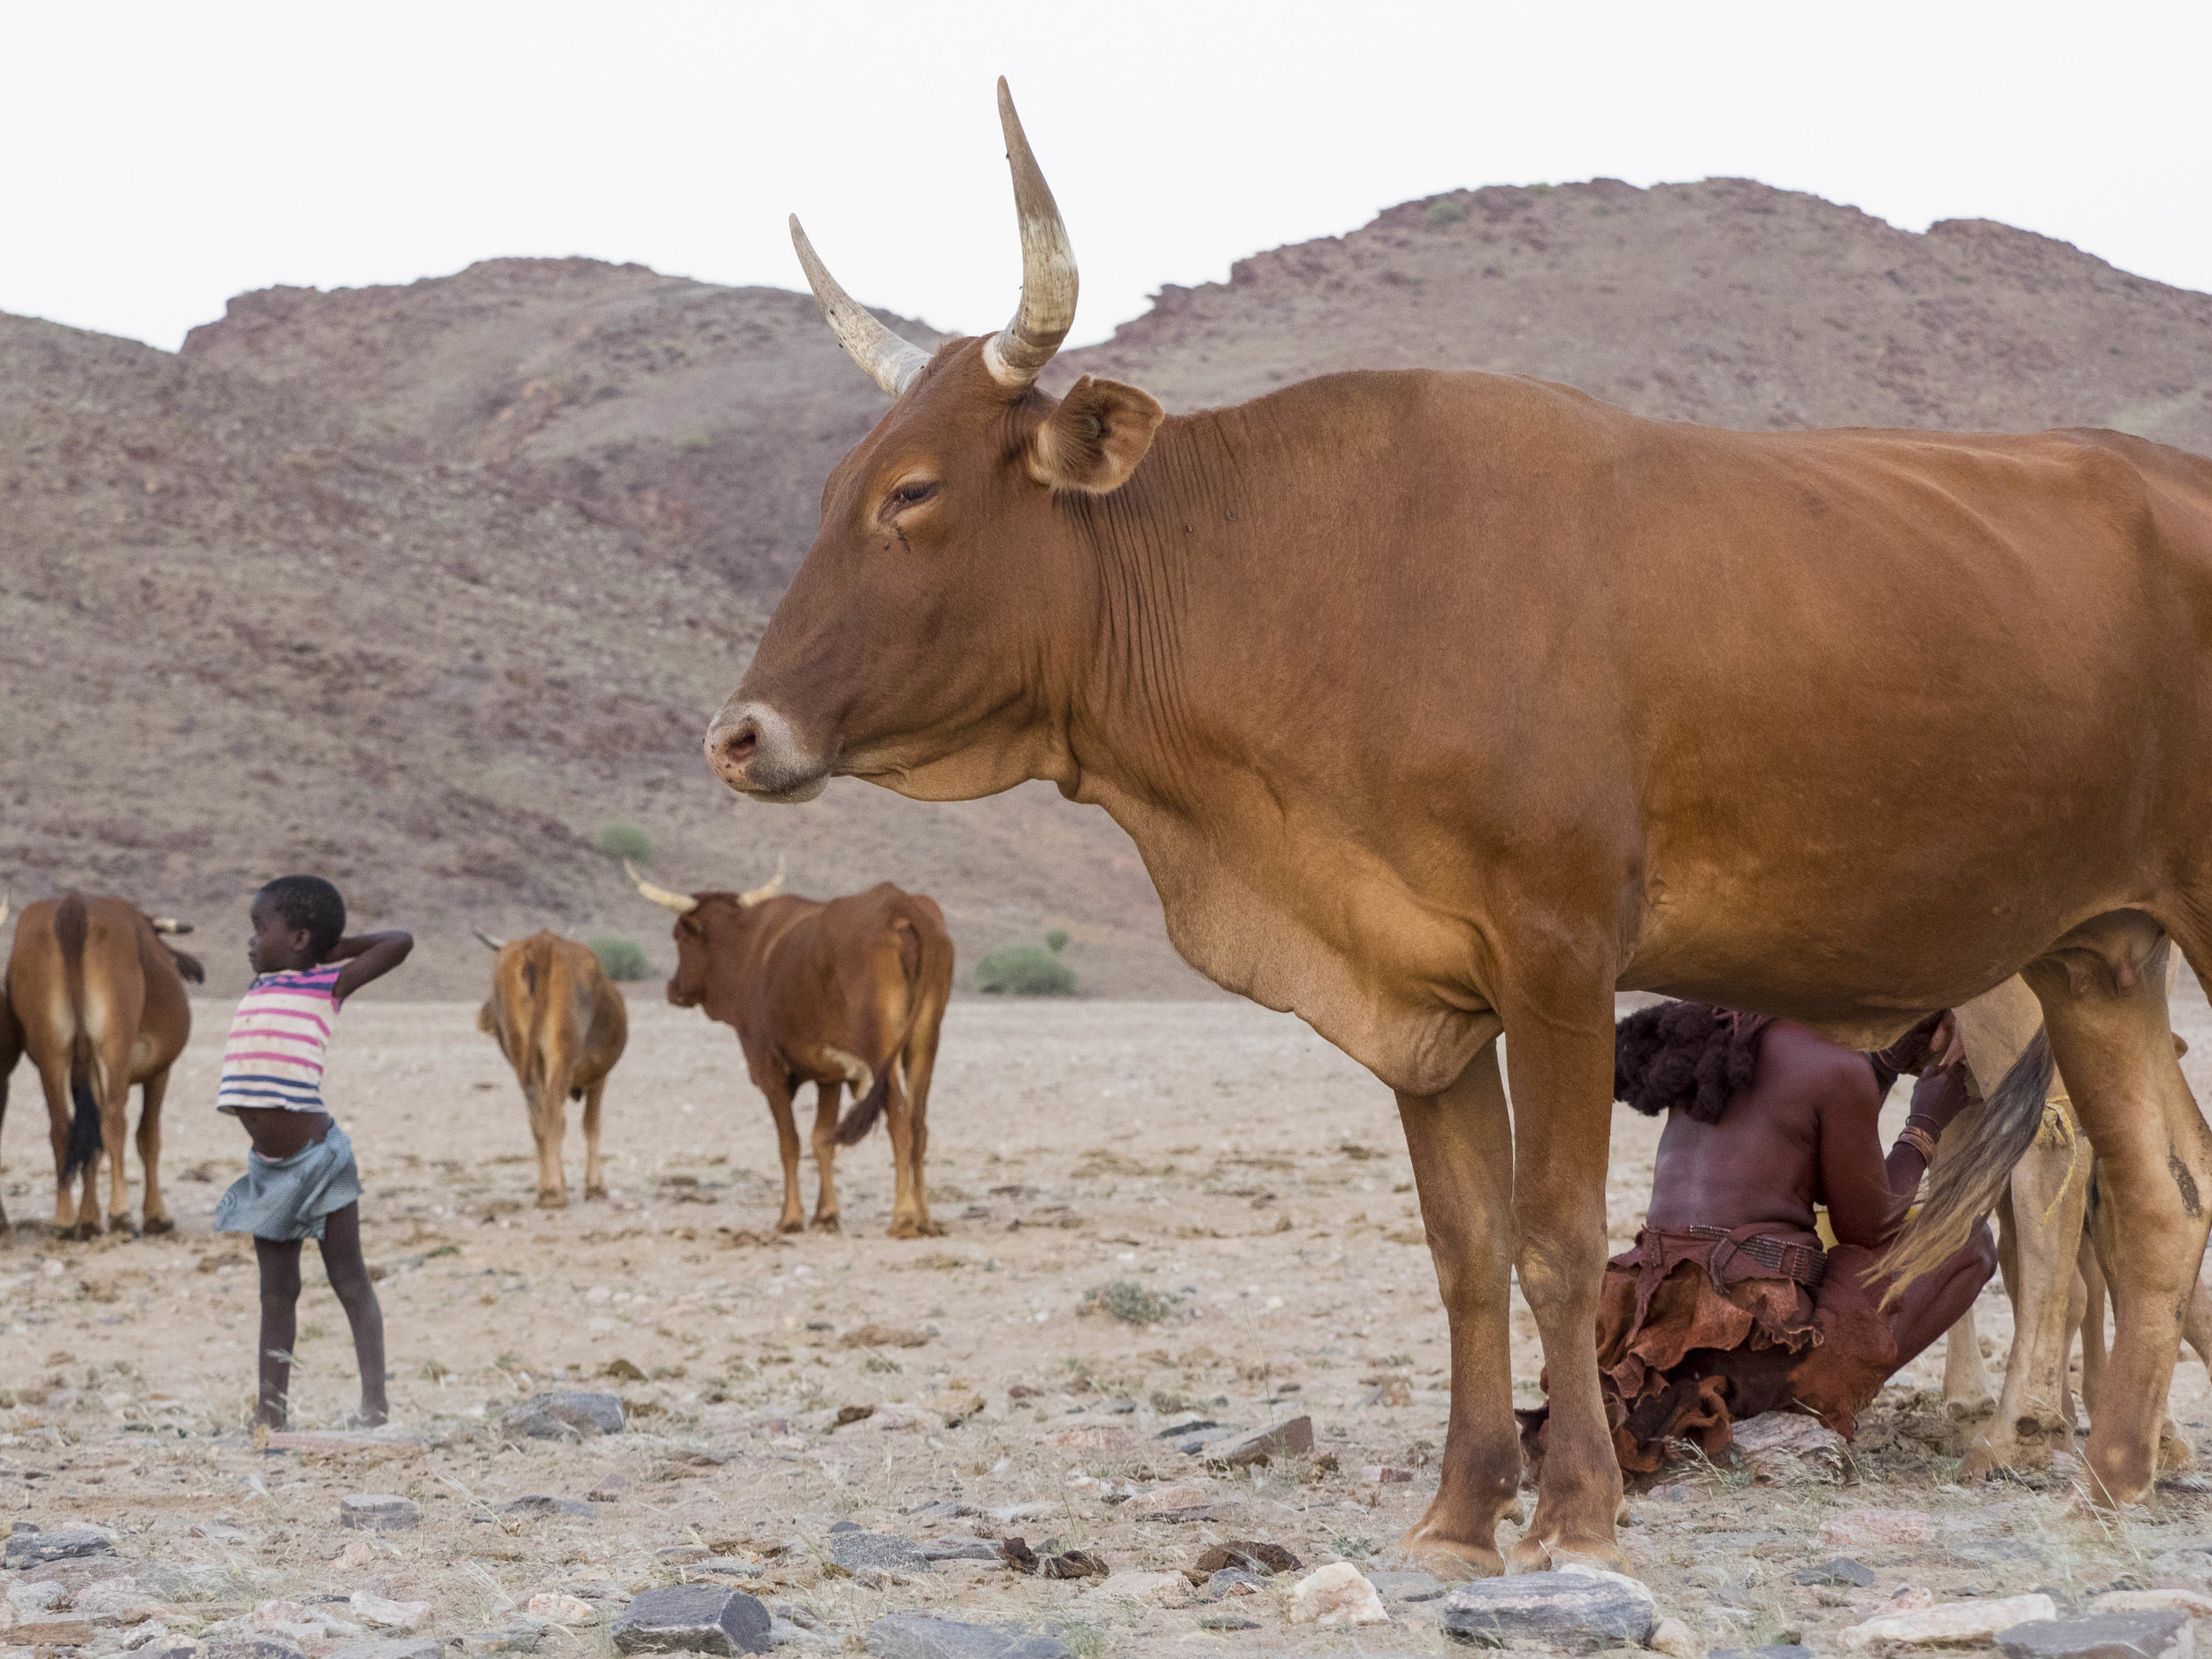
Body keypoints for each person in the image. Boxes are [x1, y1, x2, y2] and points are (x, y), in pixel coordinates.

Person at [1518, 1002, 1996, 1476]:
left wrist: (1884, 1064)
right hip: (1752, 1336)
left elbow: (1791, 1139)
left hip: (1658, 1323)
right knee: (1966, 1243)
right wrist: (1925, 1123)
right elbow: (1869, 1225)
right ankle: (1798, 1412)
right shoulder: (1832, 1066)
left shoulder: (1717, 1036)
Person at [214, 875, 411, 1430]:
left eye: (260, 929)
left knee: (349, 1277)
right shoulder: (260, 985)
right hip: (269, 1169)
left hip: (320, 1158)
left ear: (299, 938)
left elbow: (400, 942)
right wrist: (299, 948)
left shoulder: (327, 982)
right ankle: (269, 1416)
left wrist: (328, 947)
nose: (250, 941)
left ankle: (375, 1406)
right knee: (276, 1291)